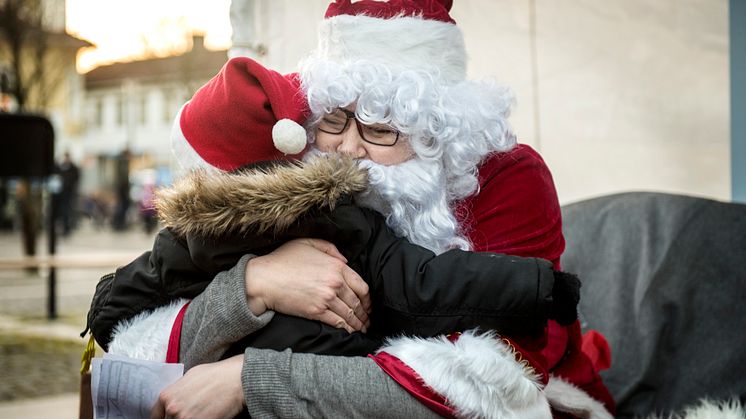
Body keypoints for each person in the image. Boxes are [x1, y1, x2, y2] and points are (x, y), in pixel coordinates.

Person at [100, 1, 615, 417]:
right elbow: (142, 343)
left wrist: (250, 379)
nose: (347, 148)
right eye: (334, 120)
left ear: (438, 132)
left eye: (380, 129)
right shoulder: (294, 177)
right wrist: (256, 283)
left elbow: (489, 384)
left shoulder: (507, 176)